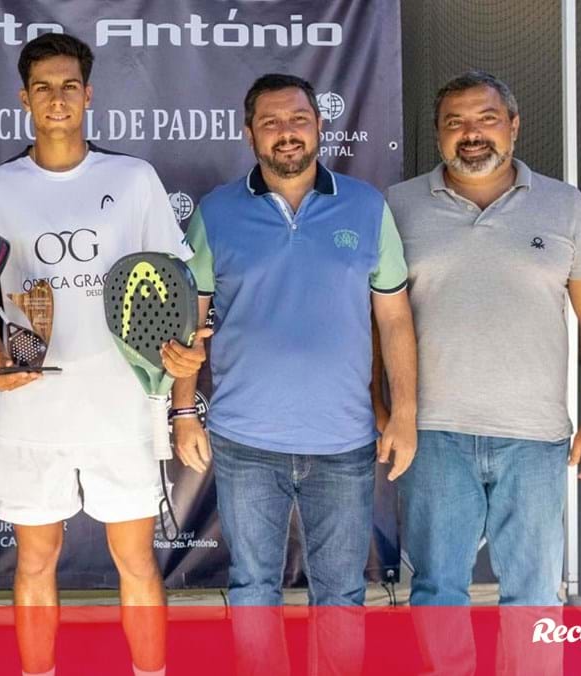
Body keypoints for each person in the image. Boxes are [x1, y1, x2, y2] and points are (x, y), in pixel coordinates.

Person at [0, 33, 209, 676]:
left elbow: (175, 286)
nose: (57, 98)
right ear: (24, 98)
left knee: (136, 562)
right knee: (35, 561)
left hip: (120, 410)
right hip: (30, 412)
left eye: (69, 85)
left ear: (89, 94)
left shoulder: (132, 179)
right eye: (43, 86)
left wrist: (180, 363)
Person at [173, 73, 418, 672]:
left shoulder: (366, 206)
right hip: (244, 441)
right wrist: (182, 410)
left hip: (344, 443)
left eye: (299, 120)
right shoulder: (215, 212)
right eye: (272, 122)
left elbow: (394, 319)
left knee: (341, 594)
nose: (287, 133)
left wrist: (404, 412)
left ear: (319, 126)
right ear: (249, 131)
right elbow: (188, 320)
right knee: (254, 586)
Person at [387, 74, 581, 672]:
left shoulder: (564, 205)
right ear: (437, 134)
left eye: (486, 119)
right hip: (432, 436)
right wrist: (384, 410)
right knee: (439, 590)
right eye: (455, 122)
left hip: (535, 438)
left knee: (535, 596)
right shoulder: (398, 205)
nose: (471, 134)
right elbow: (374, 320)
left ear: (513, 125)